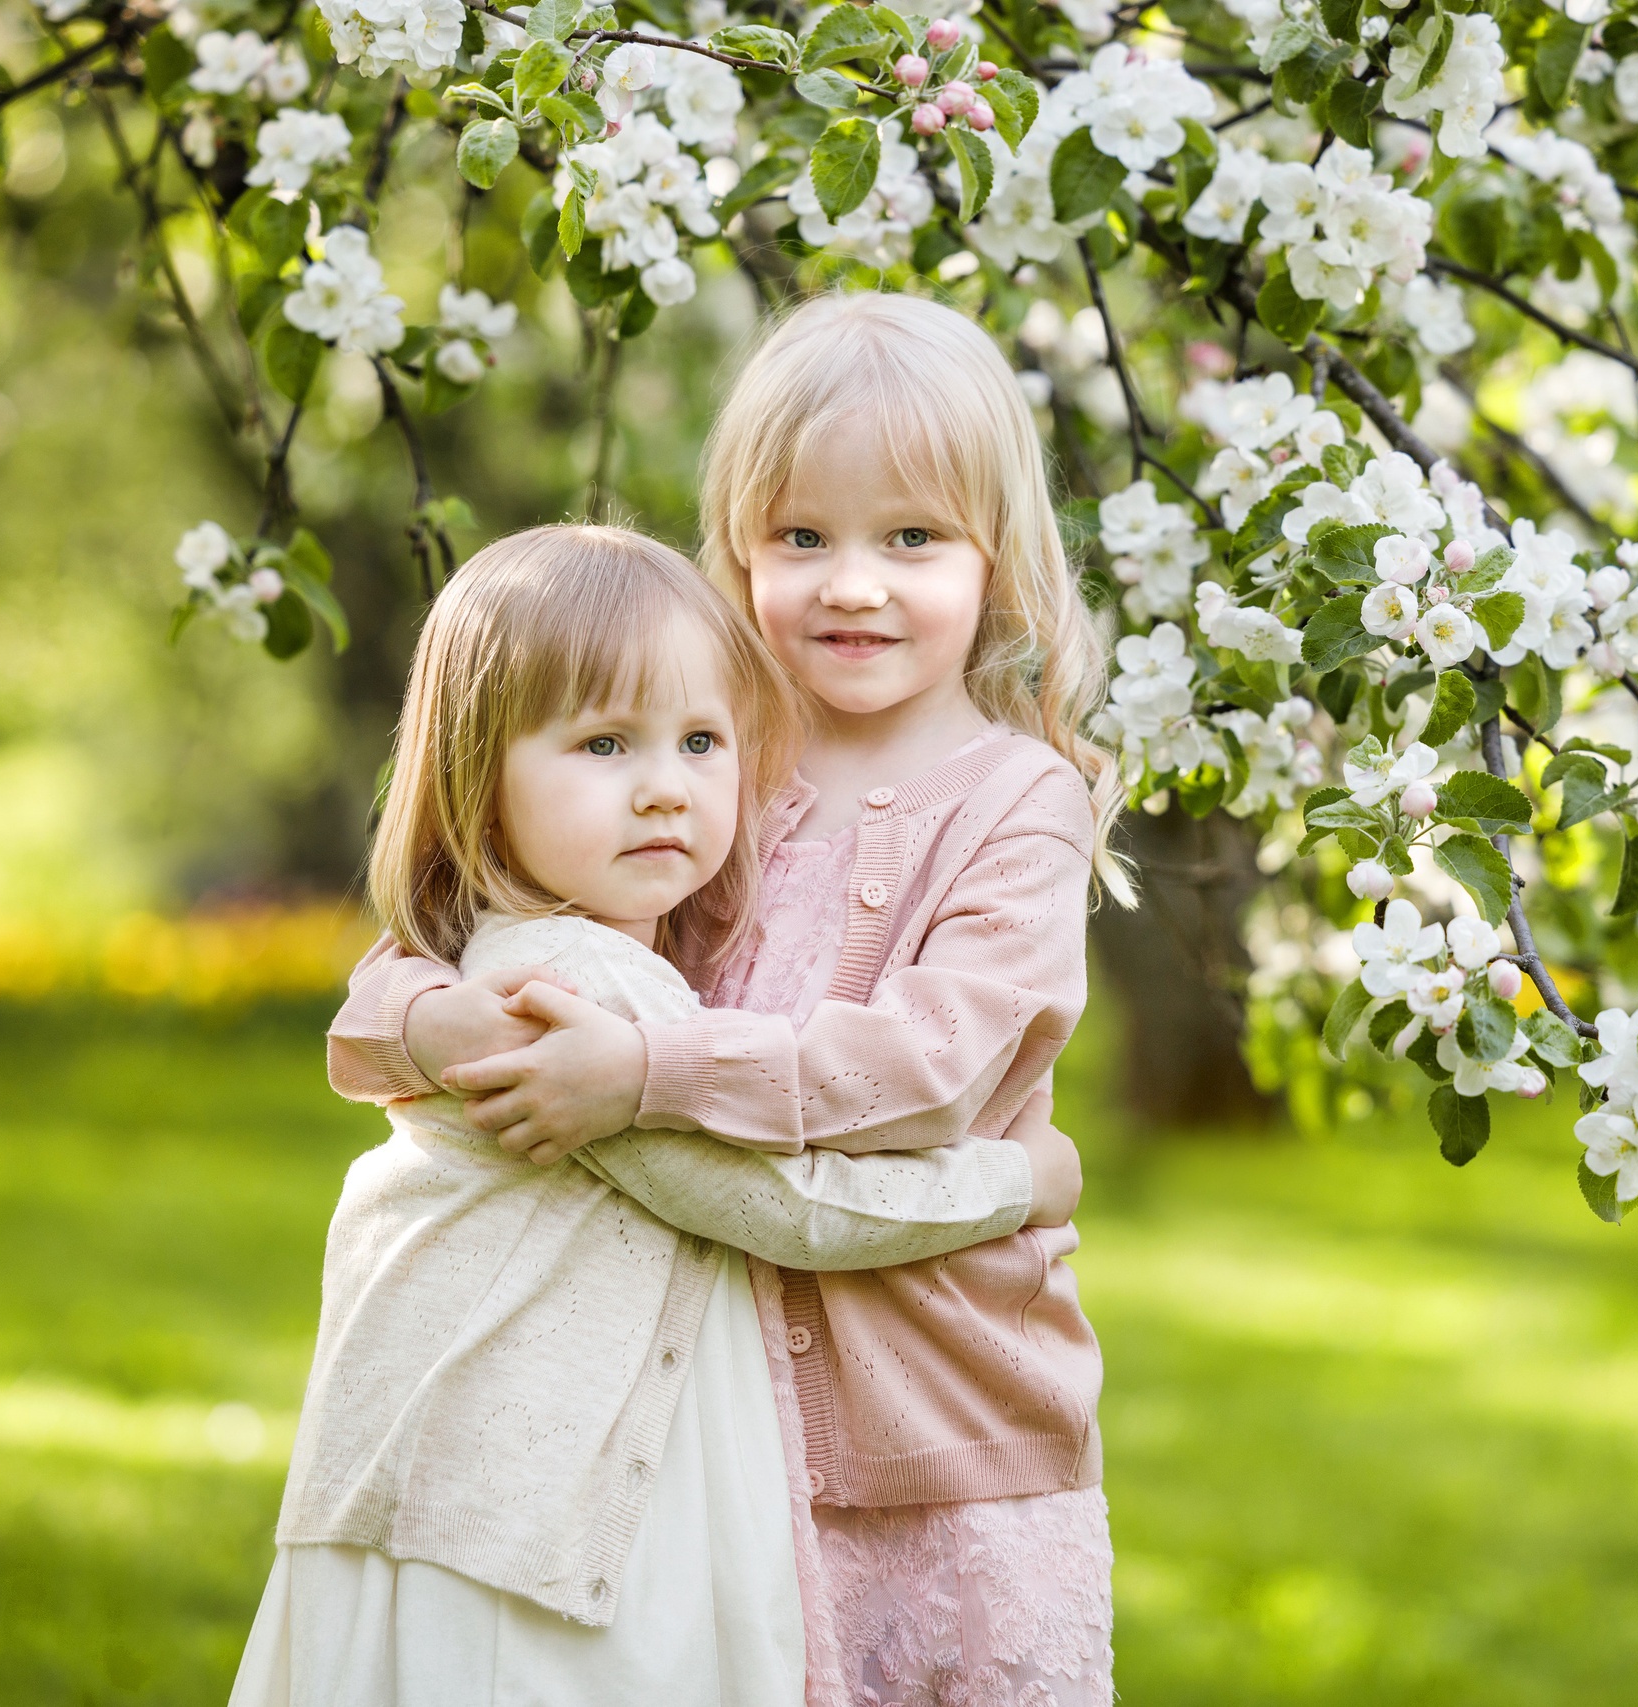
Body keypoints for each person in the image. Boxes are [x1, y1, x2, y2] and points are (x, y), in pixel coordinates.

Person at [330, 293, 1124, 1705]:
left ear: (997, 556)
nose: (854, 584)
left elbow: (926, 1067)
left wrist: (647, 1073)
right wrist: (436, 1029)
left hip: (944, 1419)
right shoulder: (708, 760)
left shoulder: (1020, 802)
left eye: (913, 538)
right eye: (802, 538)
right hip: (710, 1418)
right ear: (740, 547)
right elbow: (466, 923)